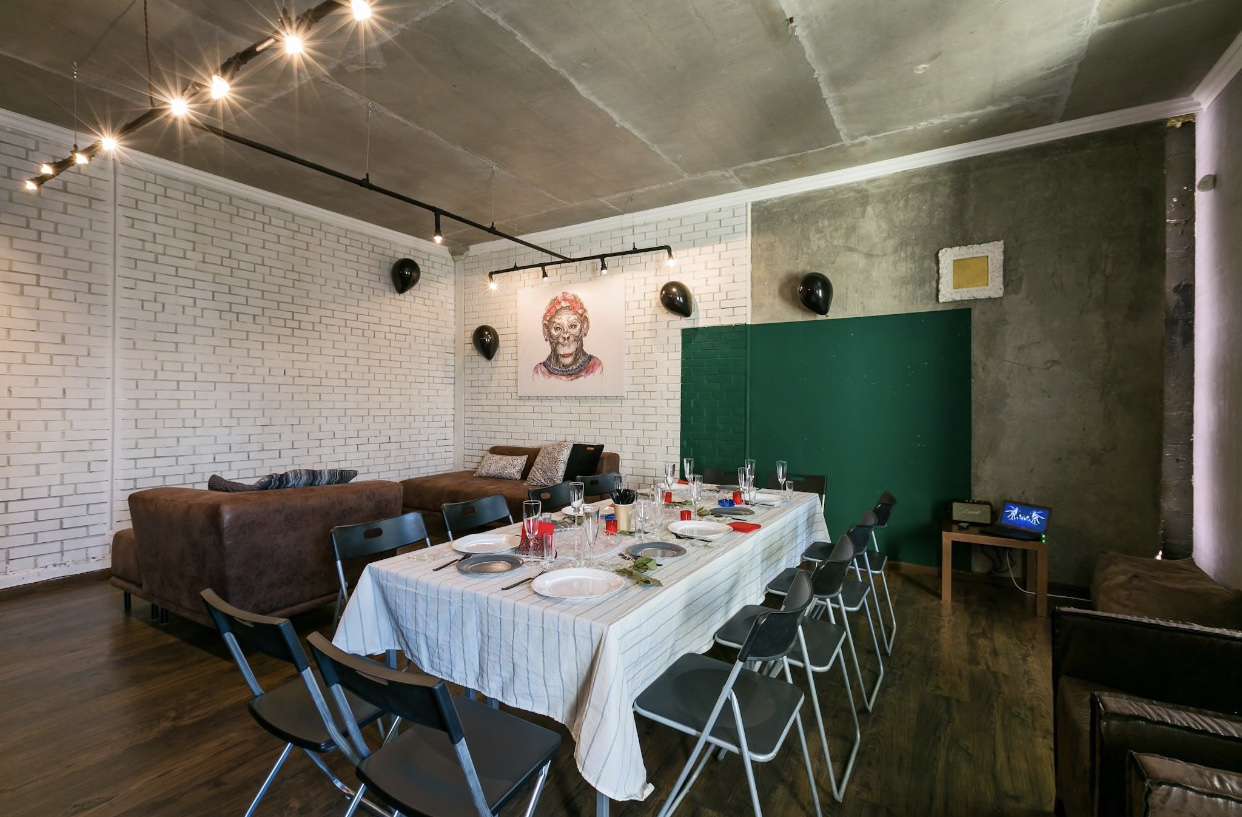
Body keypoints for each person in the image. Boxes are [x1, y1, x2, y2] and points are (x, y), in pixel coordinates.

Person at [532, 291, 603, 381]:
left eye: (573, 326)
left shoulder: (595, 367)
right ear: (546, 331)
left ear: (584, 326)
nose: (565, 336)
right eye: (557, 328)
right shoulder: (539, 372)